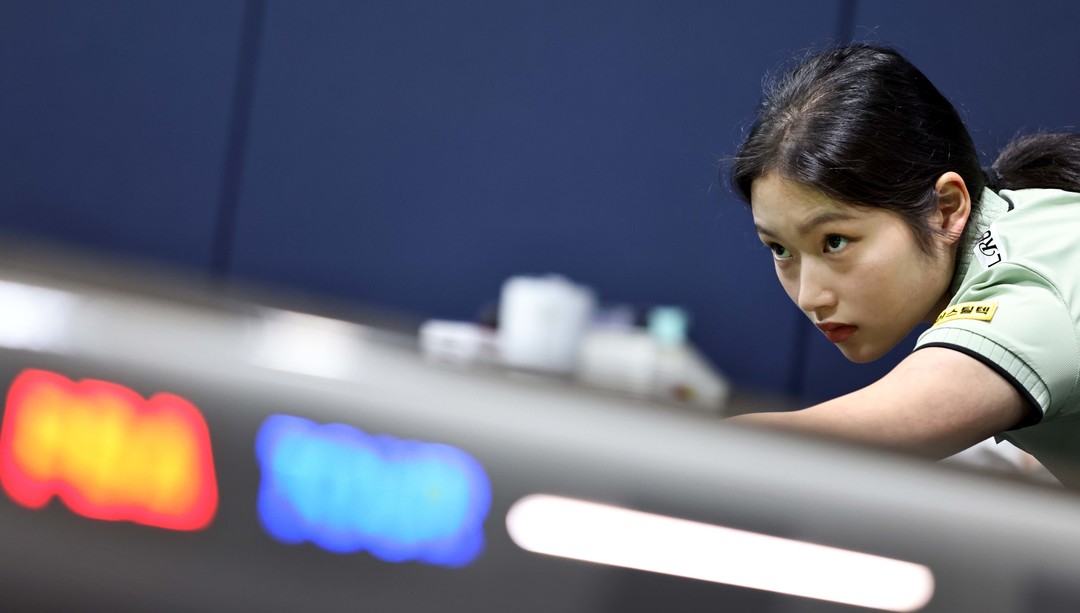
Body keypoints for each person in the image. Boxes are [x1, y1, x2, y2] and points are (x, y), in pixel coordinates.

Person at [726, 43, 1080, 488]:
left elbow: (826, 448)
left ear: (946, 209)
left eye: (835, 241)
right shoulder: (1029, 218)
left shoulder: (1029, 289)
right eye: (780, 249)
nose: (810, 296)